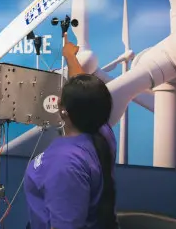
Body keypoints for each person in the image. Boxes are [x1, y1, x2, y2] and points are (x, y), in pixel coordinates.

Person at [23, 33, 118, 229]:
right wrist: (70, 57)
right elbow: (85, 93)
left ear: (63, 109)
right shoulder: (103, 132)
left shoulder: (65, 164)